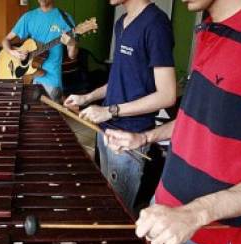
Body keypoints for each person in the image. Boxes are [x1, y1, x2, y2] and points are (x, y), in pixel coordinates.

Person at [104, 0, 241, 244]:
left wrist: (195, 214)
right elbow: (196, 119)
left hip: (213, 236)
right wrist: (144, 137)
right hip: (165, 211)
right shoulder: (210, 27)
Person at [64, 0, 176, 213]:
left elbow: (167, 95)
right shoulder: (121, 23)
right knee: (105, 199)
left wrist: (109, 110)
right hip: (105, 129)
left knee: (118, 212)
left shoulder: (156, 24)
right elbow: (118, 80)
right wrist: (86, 98)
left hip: (129, 137)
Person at [1, 0, 78, 102]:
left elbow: (72, 56)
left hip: (51, 82)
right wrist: (13, 52)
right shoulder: (28, 17)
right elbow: (5, 40)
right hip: (28, 79)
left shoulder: (65, 18)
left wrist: (72, 44)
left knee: (49, 116)